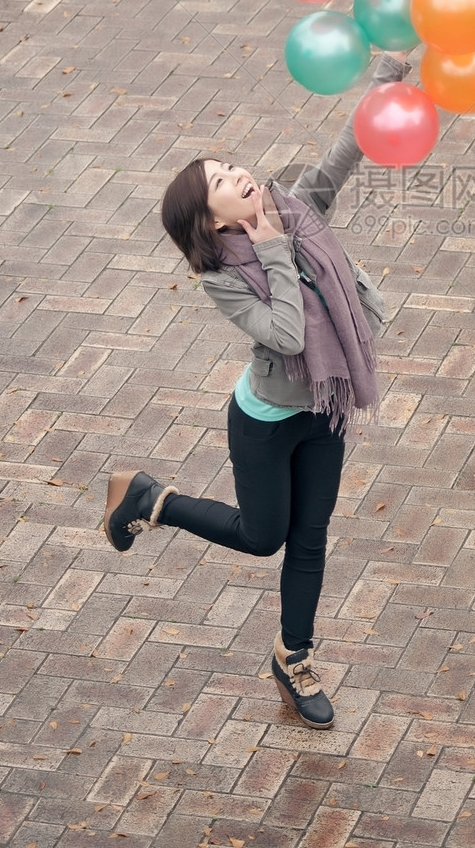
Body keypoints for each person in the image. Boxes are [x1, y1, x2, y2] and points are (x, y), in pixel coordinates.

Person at [102, 51, 410, 729]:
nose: (240, 174)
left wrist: (385, 85)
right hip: (266, 422)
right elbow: (286, 333)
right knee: (262, 536)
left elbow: (339, 156)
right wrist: (271, 245)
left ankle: (293, 657)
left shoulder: (295, 208)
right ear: (209, 220)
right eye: (221, 179)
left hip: (323, 409)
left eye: (233, 165)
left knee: (310, 537)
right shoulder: (223, 274)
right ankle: (151, 499)